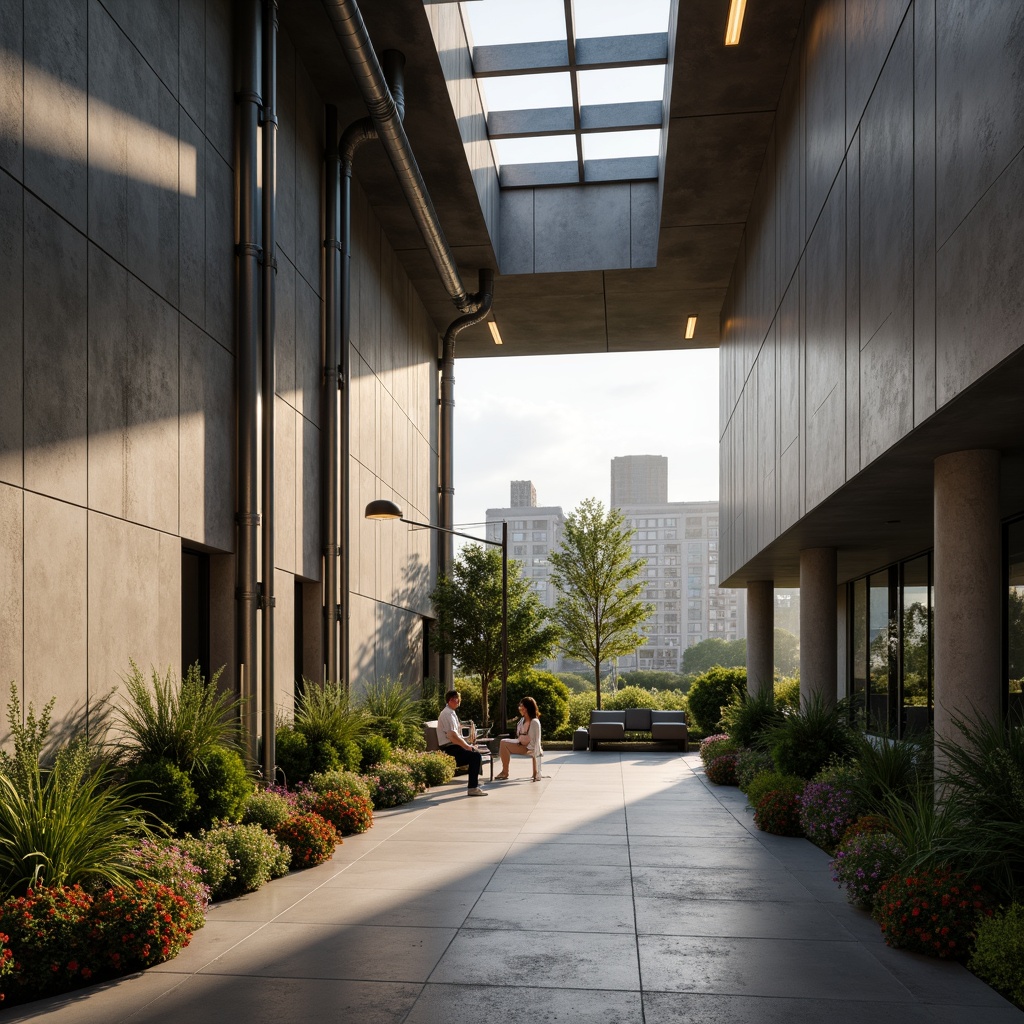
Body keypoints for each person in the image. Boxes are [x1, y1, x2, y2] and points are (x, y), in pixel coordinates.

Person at [437, 689, 488, 796]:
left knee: (475, 753)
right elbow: (452, 735)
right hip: (449, 750)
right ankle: (473, 787)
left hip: (454, 747)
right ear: (451, 700)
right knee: (475, 756)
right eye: (458, 699)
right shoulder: (447, 714)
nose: (459, 701)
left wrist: (468, 745)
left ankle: (475, 783)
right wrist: (466, 746)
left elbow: (456, 735)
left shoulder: (451, 713)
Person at [495, 696, 542, 781]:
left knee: (503, 743)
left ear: (526, 708)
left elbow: (536, 741)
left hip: (527, 747)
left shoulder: (534, 722)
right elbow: (519, 735)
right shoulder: (522, 720)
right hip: (521, 743)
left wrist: (537, 772)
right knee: (503, 742)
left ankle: (505, 772)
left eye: (521, 706)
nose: (520, 708)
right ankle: (504, 771)